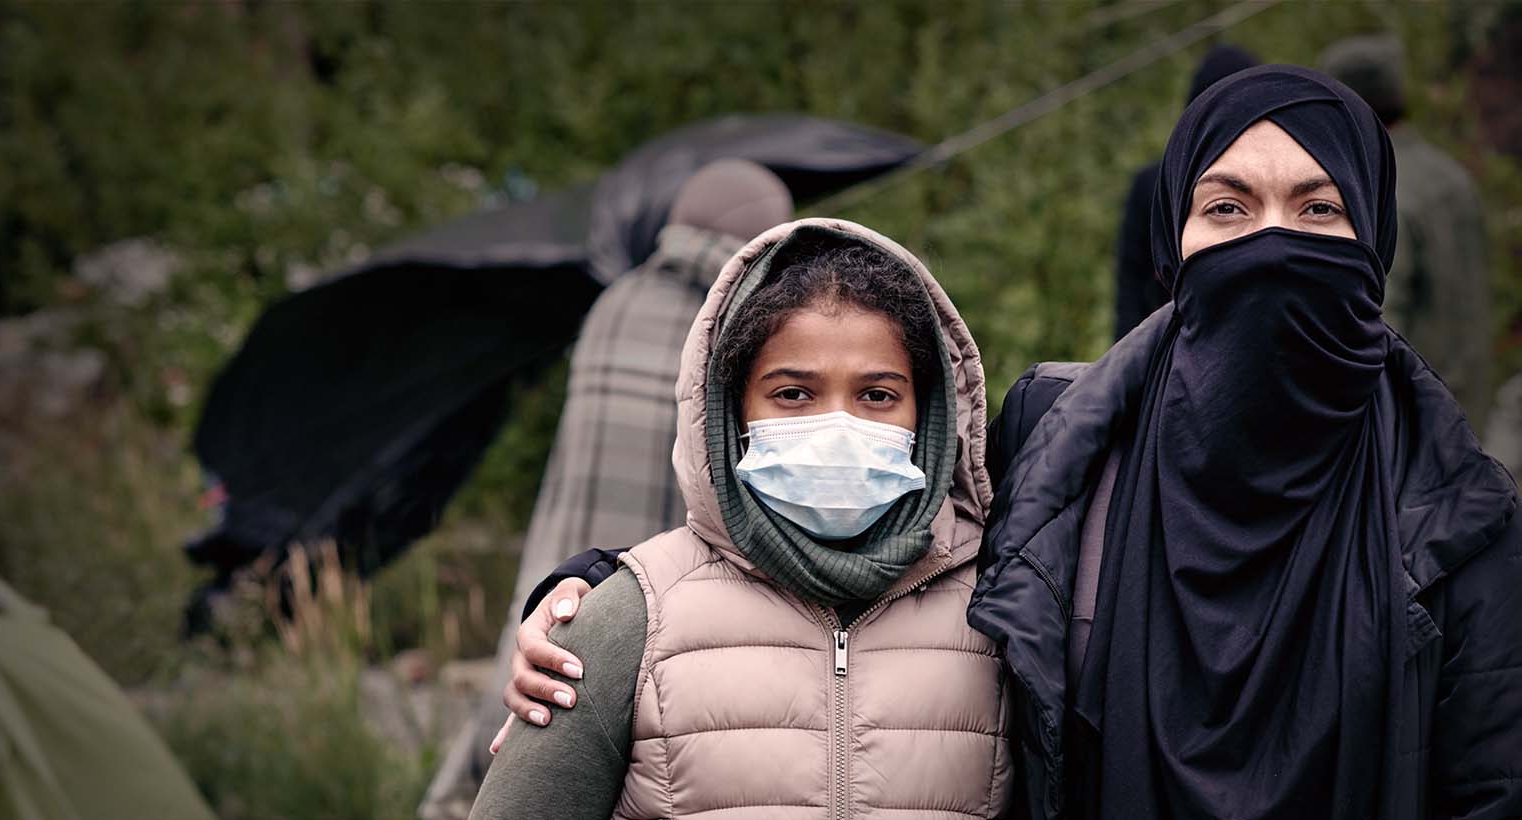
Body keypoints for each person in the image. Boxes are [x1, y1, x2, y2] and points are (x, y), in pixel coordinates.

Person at [506, 66, 1522, 820]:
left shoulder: (1460, 510)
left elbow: (1490, 785)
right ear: (1175, 243)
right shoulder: (1069, 434)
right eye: (1226, 206)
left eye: (1318, 207)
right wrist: (602, 590)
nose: (1271, 240)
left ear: (1373, 241)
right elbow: (879, 561)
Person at [470, 218, 1013, 819]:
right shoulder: (630, 617)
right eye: (793, 394)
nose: (837, 427)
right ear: (732, 412)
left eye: (877, 395)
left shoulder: (1004, 613)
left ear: (928, 415)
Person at [423, 159, 795, 807]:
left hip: (565, 551)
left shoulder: (617, 301)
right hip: (652, 574)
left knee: (533, 695)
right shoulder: (728, 324)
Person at [1321, 34, 1493, 431]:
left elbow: (1378, 325)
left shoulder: (1377, 191)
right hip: (1469, 415)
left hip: (1409, 429)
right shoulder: (1455, 178)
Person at [1114, 44, 1258, 340]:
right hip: (1165, 341)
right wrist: (1124, 361)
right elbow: (1130, 280)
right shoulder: (1154, 185)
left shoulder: (1270, 185)